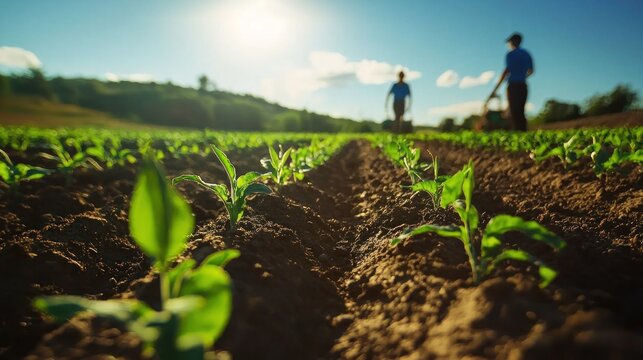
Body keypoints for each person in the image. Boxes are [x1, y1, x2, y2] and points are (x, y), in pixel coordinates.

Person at [487, 32, 534, 131]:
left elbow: (506, 71)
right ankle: (523, 133)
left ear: (513, 42)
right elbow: (531, 70)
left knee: (513, 111)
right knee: (521, 110)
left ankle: (518, 133)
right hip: (523, 85)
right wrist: (522, 76)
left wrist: (496, 88)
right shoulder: (526, 54)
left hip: (513, 86)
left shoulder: (510, 54)